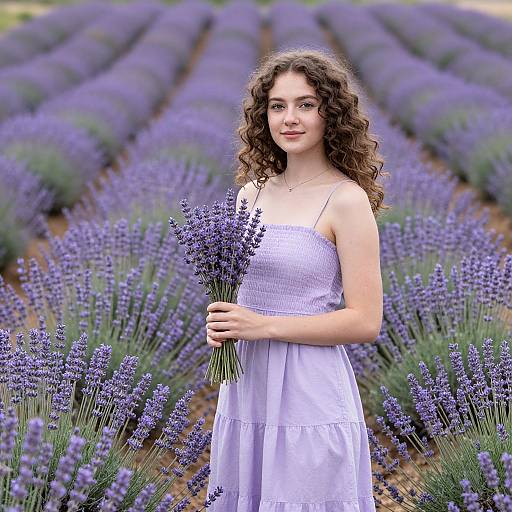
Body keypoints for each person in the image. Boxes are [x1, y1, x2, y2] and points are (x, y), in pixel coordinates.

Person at [204, 48, 387, 511]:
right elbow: (240, 290)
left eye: (306, 104)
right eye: (278, 105)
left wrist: (262, 326)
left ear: (331, 113)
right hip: (246, 390)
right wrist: (224, 320)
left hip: (309, 394)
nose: (291, 118)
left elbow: (366, 321)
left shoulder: (346, 201)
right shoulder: (250, 194)